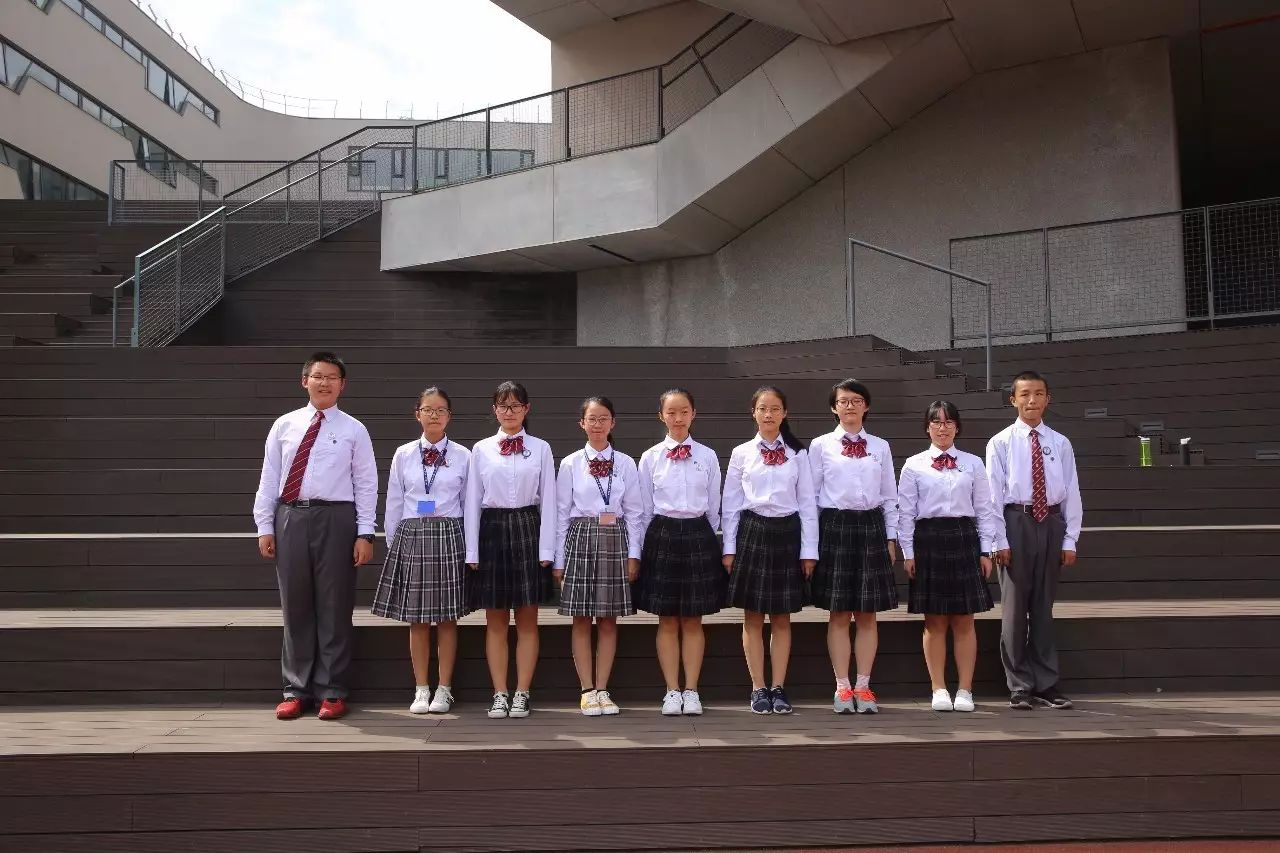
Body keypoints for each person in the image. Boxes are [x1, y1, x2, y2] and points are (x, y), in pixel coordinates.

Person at [253, 351, 377, 721]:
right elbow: (269, 477)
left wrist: (365, 532)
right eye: (318, 376)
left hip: (338, 519)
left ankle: (333, 690)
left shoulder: (354, 429)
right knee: (296, 605)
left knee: (335, 606)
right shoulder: (284, 425)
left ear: (343, 384)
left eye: (332, 377)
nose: (324, 382)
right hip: (291, 516)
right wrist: (265, 525)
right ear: (304, 380)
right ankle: (296, 689)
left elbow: (366, 484)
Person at [986, 370, 1083, 710]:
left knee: (1043, 607)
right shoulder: (1000, 442)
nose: (1032, 400)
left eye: (1038, 393)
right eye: (1025, 394)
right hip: (1016, 521)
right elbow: (993, 495)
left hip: (1052, 522)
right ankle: (1019, 685)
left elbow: (1072, 492)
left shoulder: (1060, 442)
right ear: (1013, 399)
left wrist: (1070, 538)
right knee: (1014, 609)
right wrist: (998, 539)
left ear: (1048, 399)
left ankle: (1046, 683)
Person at [372, 386, 470, 715]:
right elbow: (394, 501)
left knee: (446, 618)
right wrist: (394, 543)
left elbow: (470, 504)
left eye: (440, 410)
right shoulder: (403, 454)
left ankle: (444, 688)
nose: (434, 416)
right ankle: (421, 688)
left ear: (449, 416)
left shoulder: (463, 455)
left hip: (448, 534)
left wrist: (470, 548)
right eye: (428, 410)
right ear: (418, 414)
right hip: (412, 534)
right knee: (416, 619)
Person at [898, 401, 1001, 712]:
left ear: (957, 426)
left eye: (948, 421)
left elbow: (985, 510)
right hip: (927, 540)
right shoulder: (913, 464)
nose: (942, 427)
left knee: (964, 619)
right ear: (927, 427)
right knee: (935, 620)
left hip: (963, 539)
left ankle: (966, 690)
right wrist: (908, 552)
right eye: (935, 422)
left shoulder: (973, 463)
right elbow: (905, 513)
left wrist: (986, 550)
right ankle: (939, 688)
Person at [722, 386, 817, 715]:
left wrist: (809, 551)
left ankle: (778, 686)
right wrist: (729, 548)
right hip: (753, 532)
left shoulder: (798, 454)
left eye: (775, 408)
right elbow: (731, 505)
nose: (769, 414)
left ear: (785, 413)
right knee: (751, 615)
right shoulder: (741, 453)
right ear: (754, 413)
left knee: (781, 617)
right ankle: (757, 686)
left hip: (788, 533)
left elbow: (807, 504)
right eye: (763, 408)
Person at [465, 381, 556, 719]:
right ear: (494, 410)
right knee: (496, 619)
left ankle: (523, 692)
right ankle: (500, 692)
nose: (509, 411)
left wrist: (548, 549)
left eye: (516, 405)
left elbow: (549, 500)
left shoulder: (541, 448)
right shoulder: (481, 448)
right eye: (503, 405)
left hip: (529, 530)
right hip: (492, 531)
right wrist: (471, 551)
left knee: (529, 618)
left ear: (526, 409)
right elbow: (472, 499)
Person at [807, 379, 899, 714]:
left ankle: (864, 686)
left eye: (856, 400)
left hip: (871, 527)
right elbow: (810, 498)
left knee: (868, 613)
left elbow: (890, 496)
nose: (850, 406)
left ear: (866, 406)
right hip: (835, 527)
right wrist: (811, 544)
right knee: (839, 612)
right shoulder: (819, 446)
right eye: (843, 401)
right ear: (834, 407)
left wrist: (891, 537)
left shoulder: (881, 446)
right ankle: (842, 687)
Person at [633, 388, 725, 716]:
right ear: (661, 416)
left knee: (693, 618)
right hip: (663, 534)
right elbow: (642, 509)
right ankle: (672, 690)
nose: (678, 418)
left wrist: (714, 540)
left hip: (699, 533)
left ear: (693, 414)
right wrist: (639, 551)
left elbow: (716, 505)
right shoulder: (650, 457)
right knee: (668, 619)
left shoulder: (708, 456)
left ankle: (692, 690)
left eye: (684, 411)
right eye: (671, 412)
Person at [553, 396, 644, 716]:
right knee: (580, 618)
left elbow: (635, 512)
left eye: (603, 418)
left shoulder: (626, 463)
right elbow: (561, 512)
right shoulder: (570, 463)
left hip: (615, 539)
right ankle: (587, 689)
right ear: (582, 423)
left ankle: (603, 688)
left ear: (612, 423)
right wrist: (559, 559)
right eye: (591, 419)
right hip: (580, 537)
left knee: (607, 619)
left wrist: (634, 554)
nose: (597, 424)